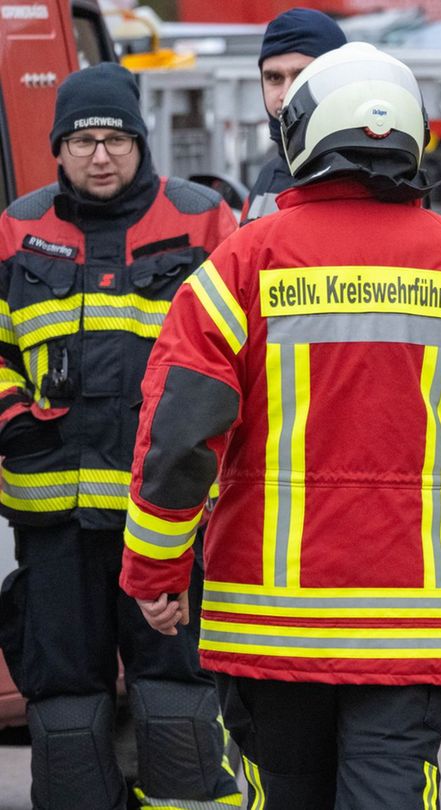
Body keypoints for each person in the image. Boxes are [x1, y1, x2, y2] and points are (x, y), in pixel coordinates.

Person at [119, 42, 441, 808]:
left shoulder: (240, 265)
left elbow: (180, 437)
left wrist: (154, 573)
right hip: (411, 623)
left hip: (265, 624)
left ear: (302, 134)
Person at [0, 63, 239, 810]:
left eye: (115, 139)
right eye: (82, 141)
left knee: (179, 694)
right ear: (58, 148)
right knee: (64, 700)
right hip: (54, 520)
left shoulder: (204, 220)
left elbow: (244, 350)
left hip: (167, 518)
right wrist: (12, 418)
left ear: (141, 142)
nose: (100, 156)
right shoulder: (17, 227)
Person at [240, 7, 346, 223]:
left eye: (302, 76)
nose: (287, 94)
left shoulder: (379, 178)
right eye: (274, 78)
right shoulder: (268, 177)